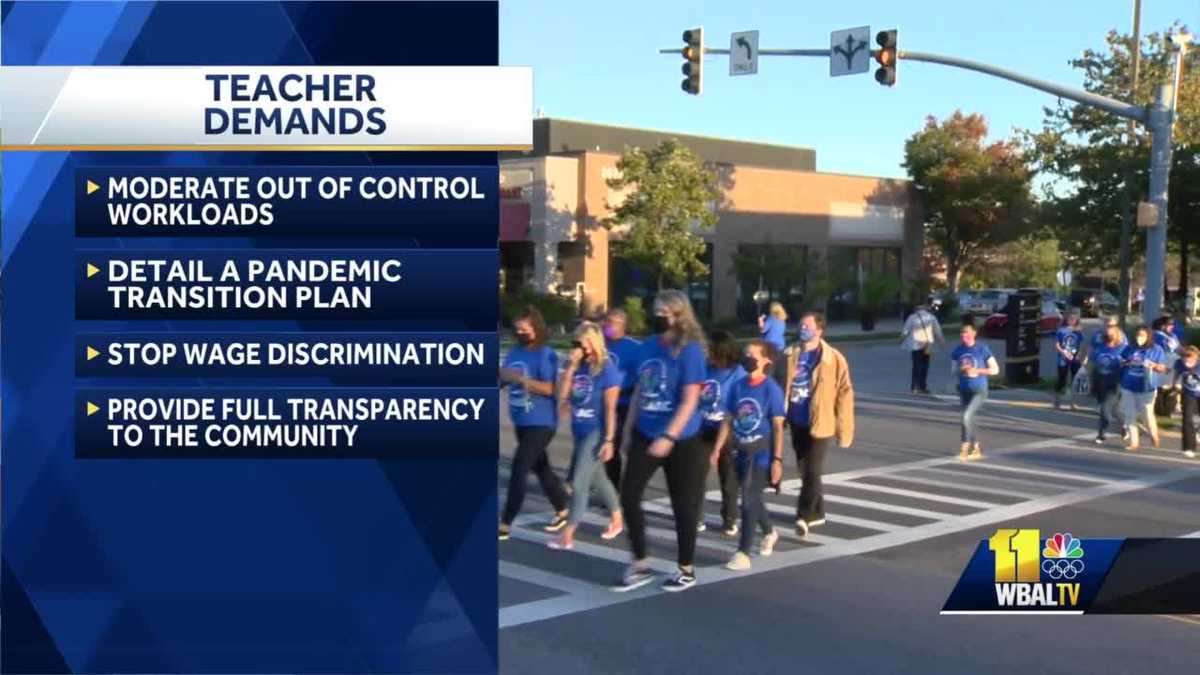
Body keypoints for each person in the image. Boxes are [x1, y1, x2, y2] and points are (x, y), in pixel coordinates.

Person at [614, 290, 709, 593]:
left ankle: (686, 568)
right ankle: (640, 562)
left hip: (682, 437)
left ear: (680, 315)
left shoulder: (690, 350)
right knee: (628, 495)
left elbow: (690, 399)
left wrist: (669, 436)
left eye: (664, 311)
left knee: (684, 504)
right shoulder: (648, 347)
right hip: (645, 430)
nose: (658, 316)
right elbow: (640, 392)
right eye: (655, 310)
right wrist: (628, 431)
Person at [549, 322, 623, 550]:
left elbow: (611, 407)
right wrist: (570, 367)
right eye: (577, 344)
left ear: (593, 342)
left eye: (583, 344)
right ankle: (618, 518)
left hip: (597, 430)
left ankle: (568, 534)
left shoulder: (606, 368)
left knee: (579, 482)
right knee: (598, 478)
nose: (580, 348)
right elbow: (562, 398)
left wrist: (609, 439)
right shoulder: (578, 366)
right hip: (579, 428)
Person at [499, 307, 569, 541]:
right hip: (521, 420)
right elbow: (503, 378)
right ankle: (562, 508)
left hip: (542, 422)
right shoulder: (514, 352)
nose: (520, 333)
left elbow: (551, 389)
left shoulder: (545, 354)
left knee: (520, 468)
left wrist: (520, 379)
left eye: (524, 329)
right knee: (542, 468)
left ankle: (506, 522)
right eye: (517, 329)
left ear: (536, 330)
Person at [714, 340, 784, 571]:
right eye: (745, 354)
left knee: (748, 499)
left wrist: (777, 460)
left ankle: (743, 552)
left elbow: (777, 427)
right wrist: (718, 448)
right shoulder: (738, 386)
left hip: (760, 452)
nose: (748, 358)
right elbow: (728, 419)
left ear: (765, 360)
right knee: (752, 496)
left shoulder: (771, 389)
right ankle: (769, 531)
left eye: (752, 355)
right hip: (739, 450)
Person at [784, 311, 855, 537]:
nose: (802, 328)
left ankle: (803, 516)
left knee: (813, 470)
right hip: (797, 420)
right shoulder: (790, 354)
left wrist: (844, 430)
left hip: (821, 421)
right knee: (805, 469)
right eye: (800, 324)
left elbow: (845, 394)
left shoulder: (832, 358)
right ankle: (818, 512)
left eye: (807, 325)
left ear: (819, 330)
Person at [700, 330, 747, 536]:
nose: (706, 352)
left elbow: (743, 403)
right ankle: (696, 516)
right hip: (702, 427)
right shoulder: (704, 369)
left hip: (727, 430)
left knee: (728, 476)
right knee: (697, 475)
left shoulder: (737, 373)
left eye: (709, 348)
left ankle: (729, 518)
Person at [602, 307, 643, 489]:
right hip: (603, 401)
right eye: (606, 321)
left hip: (625, 402)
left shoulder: (634, 347)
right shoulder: (600, 343)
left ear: (622, 325)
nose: (607, 326)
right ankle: (612, 486)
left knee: (624, 445)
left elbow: (643, 377)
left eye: (612, 322)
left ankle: (627, 486)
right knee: (607, 444)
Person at [950, 324, 999, 461]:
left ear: (974, 334)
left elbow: (995, 370)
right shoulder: (957, 351)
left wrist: (977, 371)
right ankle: (975, 448)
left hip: (980, 390)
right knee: (968, 419)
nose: (963, 335)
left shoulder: (982, 349)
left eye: (966, 333)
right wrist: (962, 369)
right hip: (964, 389)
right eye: (961, 333)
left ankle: (964, 449)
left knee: (966, 416)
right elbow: (953, 371)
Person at [1119, 325, 1168, 451]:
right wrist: (1126, 362)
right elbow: (1121, 360)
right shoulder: (1130, 348)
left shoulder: (1156, 349)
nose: (1139, 338)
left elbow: (1163, 368)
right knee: (1129, 415)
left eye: (1142, 335)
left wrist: (1153, 365)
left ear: (1148, 336)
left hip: (1147, 387)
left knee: (1147, 413)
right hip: (1128, 385)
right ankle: (1134, 442)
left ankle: (1153, 434)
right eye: (1137, 335)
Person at [1084, 317, 1127, 445]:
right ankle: (1125, 424)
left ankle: (1101, 434)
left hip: (1115, 380)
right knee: (1113, 409)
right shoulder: (1099, 343)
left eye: (1111, 326)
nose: (1108, 329)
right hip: (1100, 377)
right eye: (1107, 326)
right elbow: (1091, 357)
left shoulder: (1123, 345)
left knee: (1105, 408)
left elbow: (1128, 362)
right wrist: (1088, 373)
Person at [900, 302, 943, 394]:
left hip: (915, 345)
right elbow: (937, 332)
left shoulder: (912, 318)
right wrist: (941, 343)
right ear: (926, 308)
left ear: (916, 308)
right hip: (927, 345)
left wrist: (901, 340)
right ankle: (922, 386)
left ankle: (914, 386)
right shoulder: (931, 317)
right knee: (925, 366)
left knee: (916, 366)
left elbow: (905, 331)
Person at [1172, 345, 1200, 459]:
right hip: (1188, 394)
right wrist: (1174, 384)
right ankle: (1189, 447)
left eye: (1189, 357)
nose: (1186, 359)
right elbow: (1176, 375)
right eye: (1184, 356)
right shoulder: (1179, 363)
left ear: (1196, 357)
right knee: (1187, 419)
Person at [1053, 310, 1085, 410]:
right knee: (1062, 379)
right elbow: (1056, 345)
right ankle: (1057, 401)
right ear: (1066, 319)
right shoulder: (1061, 330)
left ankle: (1072, 403)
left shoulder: (1078, 331)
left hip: (1075, 359)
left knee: (1074, 380)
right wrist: (1063, 352)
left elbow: (1081, 344)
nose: (1072, 320)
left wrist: (1079, 354)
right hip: (1063, 358)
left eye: (1074, 318)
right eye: (1070, 318)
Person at [759, 301, 789, 386]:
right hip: (780, 345)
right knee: (779, 367)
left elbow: (763, 329)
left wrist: (760, 320)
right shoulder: (782, 319)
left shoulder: (771, 318)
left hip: (770, 344)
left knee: (769, 367)